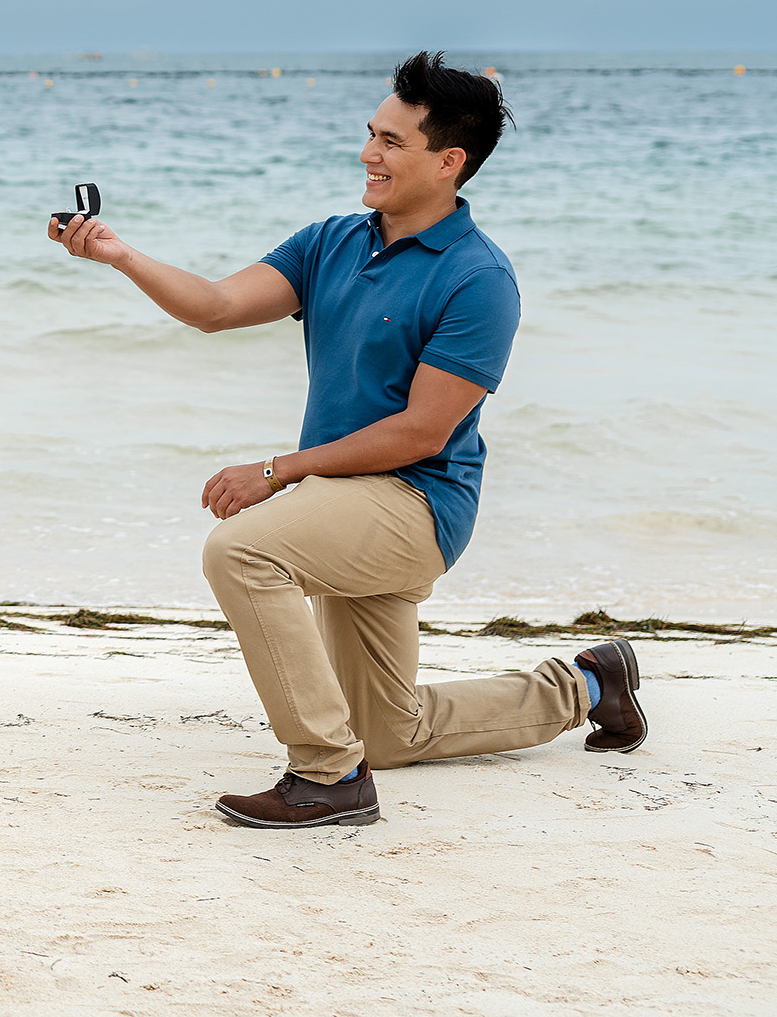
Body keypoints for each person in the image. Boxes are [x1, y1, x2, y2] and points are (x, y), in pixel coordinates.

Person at [49, 53, 647, 828]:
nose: (369, 154)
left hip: (417, 503)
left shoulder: (478, 277)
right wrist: (119, 255)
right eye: (371, 134)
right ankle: (592, 685)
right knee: (389, 733)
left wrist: (276, 471)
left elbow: (422, 431)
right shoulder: (333, 242)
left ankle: (327, 776)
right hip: (340, 501)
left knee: (241, 551)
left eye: (392, 142)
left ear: (448, 161)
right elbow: (217, 306)